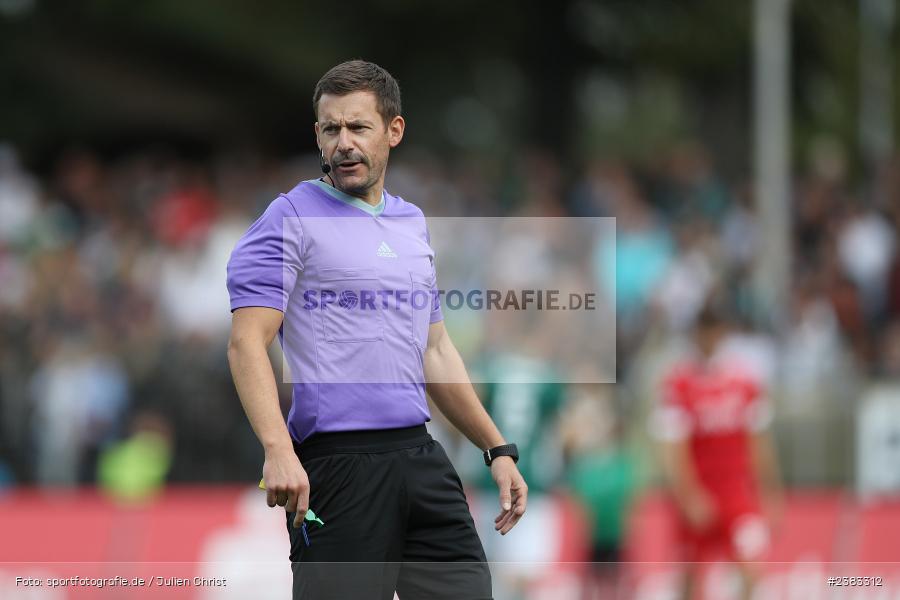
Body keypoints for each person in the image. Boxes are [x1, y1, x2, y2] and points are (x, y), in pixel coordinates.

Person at [225, 60, 526, 600]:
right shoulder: (288, 217)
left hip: (420, 457)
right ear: (317, 134)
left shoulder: (411, 222)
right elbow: (247, 341)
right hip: (337, 469)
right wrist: (277, 449)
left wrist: (495, 447)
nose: (344, 142)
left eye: (358, 127)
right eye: (330, 128)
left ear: (394, 130)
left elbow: (434, 350)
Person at [651, 306, 783, 600]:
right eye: (704, 332)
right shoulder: (678, 384)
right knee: (689, 579)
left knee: (752, 568)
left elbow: (760, 442)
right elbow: (673, 448)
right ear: (696, 335)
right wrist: (688, 495)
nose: (710, 338)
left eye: (715, 331)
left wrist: (772, 494)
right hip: (700, 495)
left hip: (738, 495)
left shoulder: (744, 382)